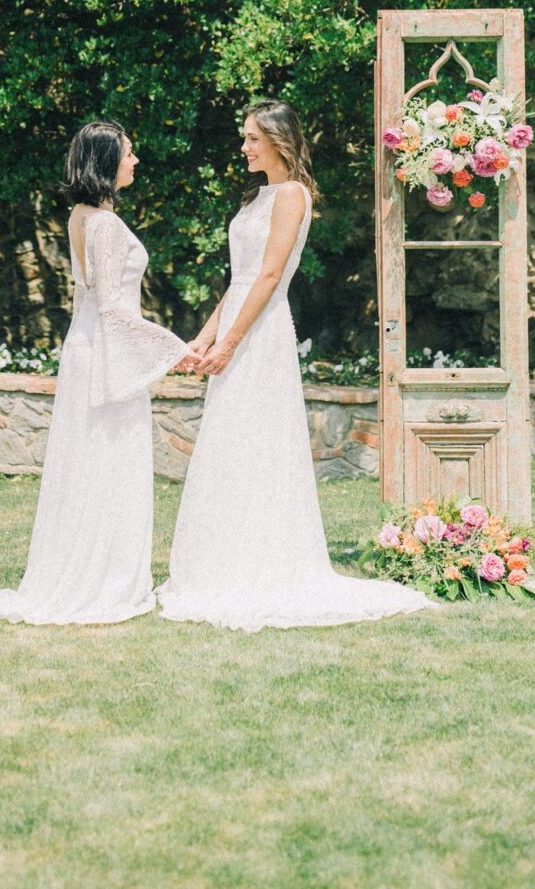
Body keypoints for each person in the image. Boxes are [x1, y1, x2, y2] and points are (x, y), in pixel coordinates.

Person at [157, 99, 435, 632]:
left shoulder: (291, 195)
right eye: (244, 137)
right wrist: (201, 338)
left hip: (261, 338)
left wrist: (231, 344)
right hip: (241, 325)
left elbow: (267, 279)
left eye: (252, 139)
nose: (243, 147)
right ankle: (223, 561)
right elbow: (238, 281)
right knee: (230, 443)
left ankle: (264, 564)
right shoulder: (257, 196)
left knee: (260, 444)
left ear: (280, 141)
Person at [0, 120, 188, 625]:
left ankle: (95, 566)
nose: (135, 162)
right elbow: (111, 305)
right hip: (105, 353)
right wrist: (175, 347)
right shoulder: (103, 223)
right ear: (107, 162)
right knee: (108, 463)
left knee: (90, 463)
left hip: (87, 348)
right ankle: (104, 579)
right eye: (129, 154)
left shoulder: (80, 215)